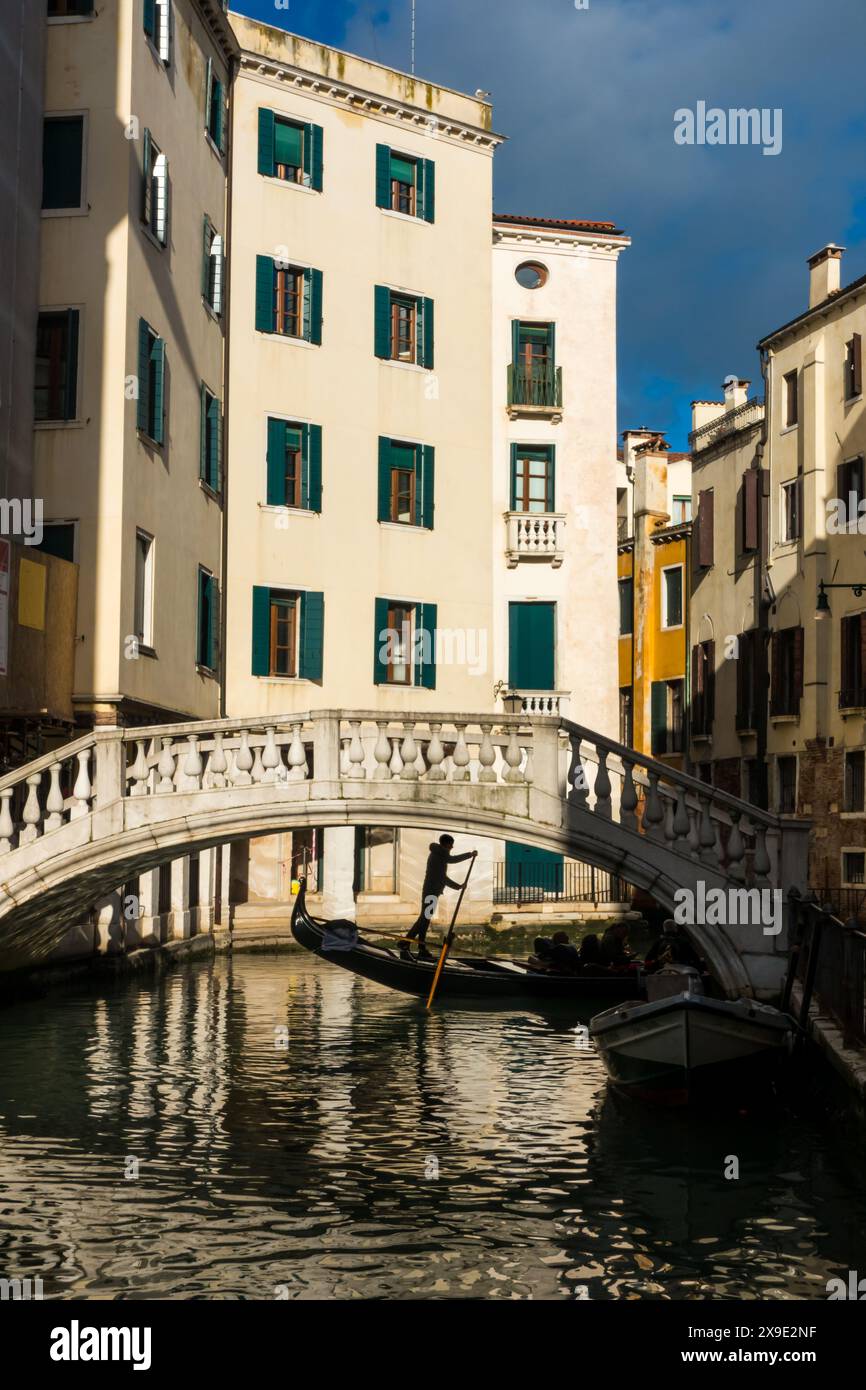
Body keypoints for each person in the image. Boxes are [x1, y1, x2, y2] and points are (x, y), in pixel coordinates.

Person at [402, 835, 475, 961]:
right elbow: (447, 870)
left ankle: (419, 947)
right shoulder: (440, 855)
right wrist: (469, 855)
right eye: (451, 844)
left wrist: (458, 886)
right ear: (446, 844)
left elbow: (445, 871)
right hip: (431, 891)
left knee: (425, 919)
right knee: (424, 919)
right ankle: (407, 943)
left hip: (431, 891)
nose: (452, 847)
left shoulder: (438, 854)